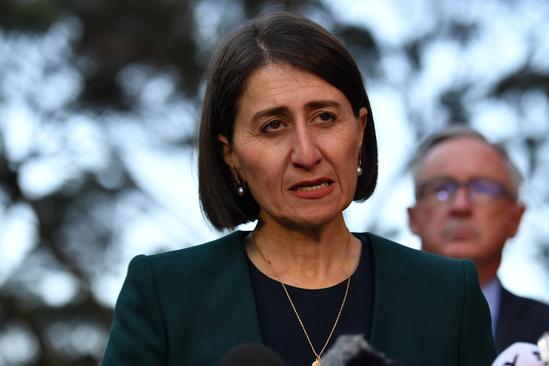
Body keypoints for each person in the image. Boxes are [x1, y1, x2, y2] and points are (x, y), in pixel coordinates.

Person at [101, 12, 495, 366]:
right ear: (230, 154)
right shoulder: (165, 293)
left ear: (359, 131)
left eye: (325, 117)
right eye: (273, 125)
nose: (306, 153)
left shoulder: (449, 294)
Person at [407, 126, 549, 355]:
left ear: (515, 218)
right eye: (440, 189)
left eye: (483, 189)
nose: (461, 205)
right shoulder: (364, 325)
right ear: (413, 218)